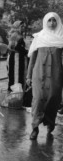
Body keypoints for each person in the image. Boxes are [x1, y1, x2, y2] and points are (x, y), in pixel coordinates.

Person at [26, 12, 63, 140]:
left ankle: (50, 124)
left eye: (54, 20)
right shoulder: (39, 37)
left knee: (53, 100)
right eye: (49, 20)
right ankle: (35, 128)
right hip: (39, 75)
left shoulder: (61, 37)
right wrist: (28, 76)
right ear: (45, 22)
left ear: (57, 22)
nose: (52, 23)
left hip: (55, 76)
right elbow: (33, 58)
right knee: (37, 100)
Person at [7, 20, 27, 91]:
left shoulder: (16, 35)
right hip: (16, 59)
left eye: (24, 26)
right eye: (21, 26)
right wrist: (26, 51)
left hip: (16, 57)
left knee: (16, 77)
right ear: (17, 27)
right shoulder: (16, 35)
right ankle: (16, 96)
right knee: (16, 78)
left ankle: (16, 95)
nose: (23, 28)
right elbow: (15, 47)